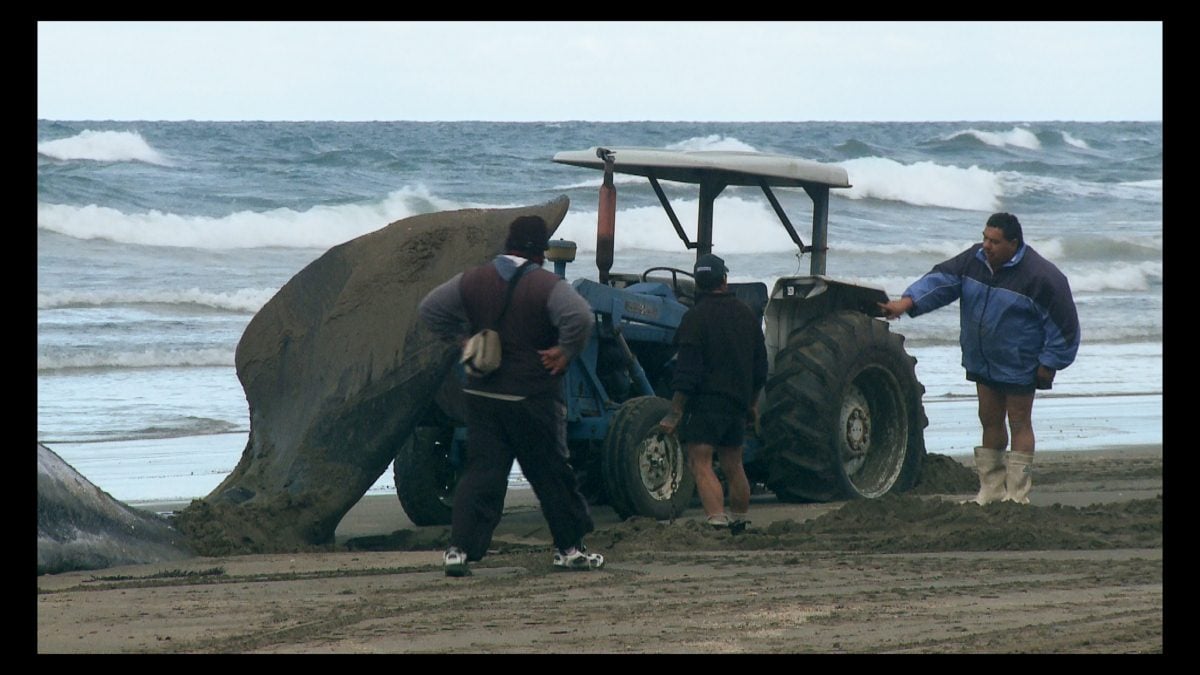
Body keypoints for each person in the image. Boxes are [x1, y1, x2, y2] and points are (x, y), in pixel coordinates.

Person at [418, 215, 604, 576]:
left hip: (482, 394)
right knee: (551, 474)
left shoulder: (473, 280)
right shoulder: (546, 285)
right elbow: (581, 317)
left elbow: (430, 309)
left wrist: (462, 341)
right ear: (541, 251)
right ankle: (569, 549)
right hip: (531, 396)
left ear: (509, 244)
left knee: (481, 473)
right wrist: (565, 352)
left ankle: (458, 550)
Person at [878, 212, 1080, 505]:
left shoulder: (1041, 276)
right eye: (984, 237)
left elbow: (1065, 326)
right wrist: (905, 304)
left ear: (1013, 243)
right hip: (982, 358)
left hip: (1020, 361)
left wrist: (1050, 363)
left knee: (1019, 422)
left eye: (994, 241)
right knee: (988, 420)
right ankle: (991, 490)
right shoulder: (974, 260)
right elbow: (941, 281)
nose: (986, 245)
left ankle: (1017, 494)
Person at [657, 253, 768, 531]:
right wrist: (752, 404)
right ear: (724, 280)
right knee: (733, 462)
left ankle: (717, 520)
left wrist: (675, 411)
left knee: (701, 461)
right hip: (738, 402)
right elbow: (761, 368)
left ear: (697, 284)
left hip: (707, 403)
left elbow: (687, 372)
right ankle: (739, 520)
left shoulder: (694, 318)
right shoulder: (746, 315)